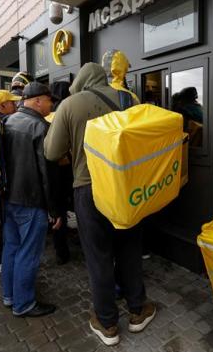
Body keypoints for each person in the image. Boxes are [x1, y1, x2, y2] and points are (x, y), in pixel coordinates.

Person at [44, 63, 156, 346]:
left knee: (98, 256)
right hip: (127, 185)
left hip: (89, 188)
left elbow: (52, 151)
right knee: (130, 248)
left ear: (80, 81)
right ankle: (138, 310)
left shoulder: (69, 105)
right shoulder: (128, 99)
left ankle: (107, 324)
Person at [1, 82, 58, 317]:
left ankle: (9, 295)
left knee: (12, 248)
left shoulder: (9, 120)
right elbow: (47, 174)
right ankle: (24, 304)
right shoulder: (40, 127)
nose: (51, 104)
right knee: (28, 252)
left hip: (9, 197)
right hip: (31, 200)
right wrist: (54, 209)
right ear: (36, 101)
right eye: (48, 100)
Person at [0, 89, 22, 273]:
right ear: (2, 105)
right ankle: (1, 260)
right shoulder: (5, 124)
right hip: (3, 182)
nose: (15, 105)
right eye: (11, 103)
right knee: (4, 222)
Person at [48, 81, 73, 265]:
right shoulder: (66, 111)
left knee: (59, 209)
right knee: (64, 207)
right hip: (65, 168)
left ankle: (60, 249)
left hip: (53, 170)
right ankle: (63, 252)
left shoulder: (48, 113)